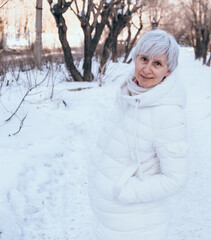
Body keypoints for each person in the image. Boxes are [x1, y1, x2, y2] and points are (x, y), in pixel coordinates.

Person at [87, 29, 189, 240]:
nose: (147, 69)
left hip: (137, 225)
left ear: (168, 71)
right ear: (135, 58)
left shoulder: (168, 114)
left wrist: (124, 191)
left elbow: (175, 179)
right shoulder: (128, 95)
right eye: (144, 59)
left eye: (157, 63)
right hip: (109, 219)